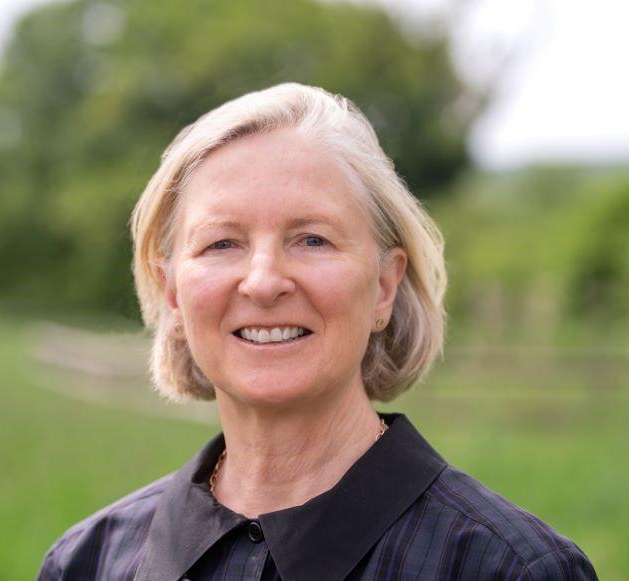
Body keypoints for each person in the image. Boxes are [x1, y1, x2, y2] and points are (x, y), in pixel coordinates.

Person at [37, 83, 597, 581]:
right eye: (221, 243)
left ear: (383, 286)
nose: (263, 282)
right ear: (174, 295)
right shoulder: (88, 562)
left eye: (312, 239)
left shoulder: (510, 570)